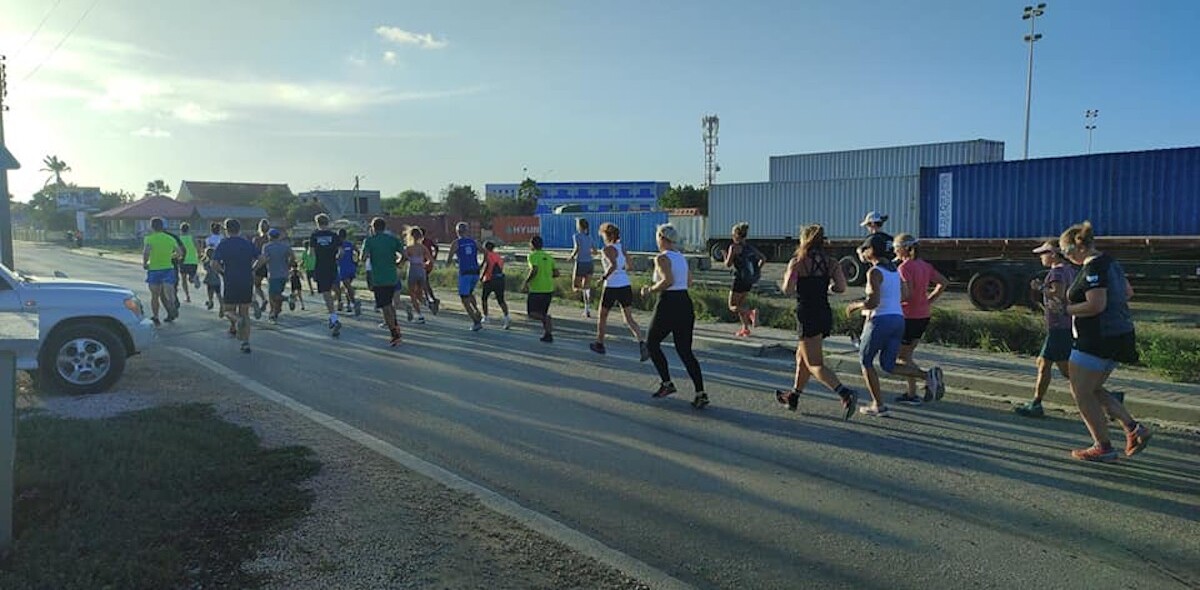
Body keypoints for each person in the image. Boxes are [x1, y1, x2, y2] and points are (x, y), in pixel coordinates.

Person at [1059, 221, 1151, 461]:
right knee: (1093, 388)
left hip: (1096, 337)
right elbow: (1128, 292)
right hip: (1118, 334)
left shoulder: (1093, 268)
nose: (1067, 258)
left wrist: (1067, 309)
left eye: (1067, 253)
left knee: (1081, 392)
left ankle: (1103, 446)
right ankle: (1134, 429)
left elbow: (1096, 304)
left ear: (1077, 248)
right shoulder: (1110, 262)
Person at [844, 235, 943, 417]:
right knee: (888, 365)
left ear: (871, 251)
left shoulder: (874, 272)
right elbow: (905, 294)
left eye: (865, 249)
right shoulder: (895, 271)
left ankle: (878, 405)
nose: (863, 253)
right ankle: (927, 376)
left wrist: (855, 305)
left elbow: (872, 302)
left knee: (866, 361)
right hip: (898, 319)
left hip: (880, 320)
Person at [774, 224, 859, 420]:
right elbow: (841, 287)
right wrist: (827, 285)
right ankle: (793, 396)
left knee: (814, 363)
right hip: (823, 311)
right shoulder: (831, 263)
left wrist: (792, 280)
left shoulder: (797, 262)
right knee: (801, 357)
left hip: (807, 312)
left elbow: (787, 290)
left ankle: (845, 393)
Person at [641, 224, 708, 409]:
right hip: (684, 303)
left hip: (668, 303)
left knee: (652, 343)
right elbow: (689, 281)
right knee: (685, 351)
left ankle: (667, 383)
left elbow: (667, 281)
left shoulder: (661, 258)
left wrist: (649, 289)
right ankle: (700, 392)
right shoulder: (681, 257)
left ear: (662, 238)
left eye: (657, 237)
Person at [1017, 242, 1077, 417]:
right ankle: (1036, 403)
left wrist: (1040, 287)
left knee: (1053, 366)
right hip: (1065, 324)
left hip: (1058, 326)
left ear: (1053, 254)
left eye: (1043, 253)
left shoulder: (1057, 272)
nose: (1041, 256)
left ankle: (1036, 404)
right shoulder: (1070, 270)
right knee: (1053, 366)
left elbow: (1058, 295)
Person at [893, 233, 948, 405]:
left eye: (895, 247)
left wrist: (892, 300)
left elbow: (907, 295)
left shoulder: (904, 267)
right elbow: (943, 282)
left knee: (900, 358)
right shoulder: (924, 265)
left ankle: (928, 378)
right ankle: (911, 394)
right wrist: (929, 299)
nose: (894, 250)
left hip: (908, 316)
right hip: (923, 315)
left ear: (903, 249)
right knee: (906, 355)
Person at [590, 222, 647, 360]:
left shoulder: (607, 249)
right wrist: (622, 271)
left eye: (603, 235)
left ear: (607, 235)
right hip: (625, 284)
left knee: (602, 316)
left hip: (611, 286)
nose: (602, 237)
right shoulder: (621, 247)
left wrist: (603, 278)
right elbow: (630, 265)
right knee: (628, 318)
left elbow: (613, 265)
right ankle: (642, 343)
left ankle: (600, 343)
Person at [849, 211, 894, 349]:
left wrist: (858, 251)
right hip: (890, 273)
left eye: (868, 225)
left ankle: (864, 341)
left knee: (871, 306)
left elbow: (863, 258)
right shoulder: (889, 239)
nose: (868, 228)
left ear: (873, 224)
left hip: (876, 273)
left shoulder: (871, 239)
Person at [213, 218, 258, 353]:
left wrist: (222, 272)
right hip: (246, 279)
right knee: (245, 313)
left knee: (227, 310)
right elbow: (261, 258)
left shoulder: (223, 244)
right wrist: (253, 269)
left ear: (226, 230)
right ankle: (246, 342)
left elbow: (214, 264)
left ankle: (236, 320)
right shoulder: (247, 243)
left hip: (231, 280)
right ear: (239, 229)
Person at [361, 217, 405, 346]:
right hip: (392, 276)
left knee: (385, 307)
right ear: (384, 227)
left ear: (373, 228)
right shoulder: (392, 239)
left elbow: (362, 257)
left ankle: (394, 333)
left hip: (379, 278)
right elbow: (404, 255)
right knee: (389, 304)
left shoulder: (369, 241)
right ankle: (395, 326)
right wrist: (397, 263)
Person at [724, 222, 764, 338]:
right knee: (741, 304)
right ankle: (745, 329)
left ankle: (751, 313)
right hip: (749, 280)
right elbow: (763, 258)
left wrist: (725, 256)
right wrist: (756, 270)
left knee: (732, 306)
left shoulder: (734, 247)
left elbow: (728, 264)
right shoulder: (750, 247)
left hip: (739, 279)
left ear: (735, 235)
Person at [141, 217, 183, 326]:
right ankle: (172, 304)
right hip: (168, 268)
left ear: (151, 226)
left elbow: (146, 252)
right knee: (169, 291)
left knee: (155, 295)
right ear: (162, 226)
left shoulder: (149, 239)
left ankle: (155, 317)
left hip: (154, 269)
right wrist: (171, 256)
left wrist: (145, 263)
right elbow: (179, 253)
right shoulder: (170, 238)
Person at [309, 214, 344, 337]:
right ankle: (336, 311)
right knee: (334, 289)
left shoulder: (314, 236)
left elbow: (311, 254)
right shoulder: (334, 235)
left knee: (326, 294)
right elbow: (341, 251)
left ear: (317, 223)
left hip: (321, 267)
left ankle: (334, 318)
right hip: (332, 266)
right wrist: (336, 256)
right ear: (328, 222)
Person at [447, 222, 484, 331]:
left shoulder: (456, 243)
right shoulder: (474, 242)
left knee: (464, 298)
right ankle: (477, 310)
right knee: (470, 293)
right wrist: (482, 265)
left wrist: (450, 263)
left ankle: (475, 322)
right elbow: (485, 252)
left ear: (457, 231)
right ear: (467, 231)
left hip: (465, 272)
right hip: (475, 272)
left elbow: (449, 259)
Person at [257, 228, 296, 324]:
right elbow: (293, 256)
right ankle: (275, 314)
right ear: (278, 236)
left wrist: (255, 268)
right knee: (278, 294)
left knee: (273, 296)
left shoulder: (267, 247)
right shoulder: (285, 246)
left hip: (273, 274)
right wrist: (289, 264)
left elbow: (264, 259)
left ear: (269, 237)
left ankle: (287, 300)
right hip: (284, 274)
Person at [523, 236, 557, 342]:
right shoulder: (549, 257)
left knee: (532, 313)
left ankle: (546, 320)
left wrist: (526, 282)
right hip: (548, 288)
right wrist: (547, 275)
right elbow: (556, 273)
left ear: (532, 245)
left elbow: (534, 269)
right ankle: (548, 334)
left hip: (536, 289)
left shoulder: (532, 256)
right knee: (543, 312)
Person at [403, 227, 433, 324]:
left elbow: (403, 259)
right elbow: (430, 259)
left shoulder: (408, 248)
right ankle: (428, 303)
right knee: (420, 292)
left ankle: (419, 315)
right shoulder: (423, 248)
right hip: (421, 270)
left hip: (412, 270)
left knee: (412, 294)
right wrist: (426, 264)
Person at [568, 218, 597, 318]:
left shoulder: (576, 236)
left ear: (579, 226)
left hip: (580, 262)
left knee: (575, 286)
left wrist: (571, 256)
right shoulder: (589, 237)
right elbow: (595, 251)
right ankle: (587, 308)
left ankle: (584, 295)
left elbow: (577, 248)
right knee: (586, 286)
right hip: (589, 263)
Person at [480, 241, 511, 329]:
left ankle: (486, 317)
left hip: (489, 280)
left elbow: (487, 266)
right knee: (501, 300)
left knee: (484, 298)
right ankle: (506, 317)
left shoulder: (487, 255)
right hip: (500, 280)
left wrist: (482, 276)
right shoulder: (498, 256)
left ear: (486, 248)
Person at [335, 228, 362, 316]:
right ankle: (349, 305)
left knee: (347, 287)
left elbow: (337, 256)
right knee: (347, 287)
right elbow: (357, 251)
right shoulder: (350, 244)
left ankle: (354, 301)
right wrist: (357, 261)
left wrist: (335, 260)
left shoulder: (338, 245)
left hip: (343, 269)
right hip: (352, 267)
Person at [177, 222, 202, 302]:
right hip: (193, 260)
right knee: (191, 277)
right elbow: (198, 247)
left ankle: (187, 296)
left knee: (184, 279)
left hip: (183, 261)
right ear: (188, 230)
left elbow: (177, 250)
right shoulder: (192, 237)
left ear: (181, 230)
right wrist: (199, 255)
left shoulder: (179, 239)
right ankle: (194, 277)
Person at [251, 219, 271, 317]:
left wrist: (252, 266)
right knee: (271, 287)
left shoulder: (256, 240)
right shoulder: (270, 239)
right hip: (269, 265)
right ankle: (273, 307)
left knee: (257, 285)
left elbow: (253, 254)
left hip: (259, 265)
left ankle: (263, 299)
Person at [420, 227, 441, 314]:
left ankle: (431, 300)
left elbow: (436, 248)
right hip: (423, 263)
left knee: (424, 282)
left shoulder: (424, 242)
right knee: (424, 282)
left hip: (425, 264)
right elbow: (436, 248)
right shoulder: (427, 241)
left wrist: (433, 257)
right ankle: (430, 299)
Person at [202, 247, 223, 312]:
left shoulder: (206, 262)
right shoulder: (218, 261)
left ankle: (211, 302)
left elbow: (205, 268)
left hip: (210, 279)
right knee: (218, 293)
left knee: (210, 292)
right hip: (216, 280)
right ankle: (221, 305)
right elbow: (220, 270)